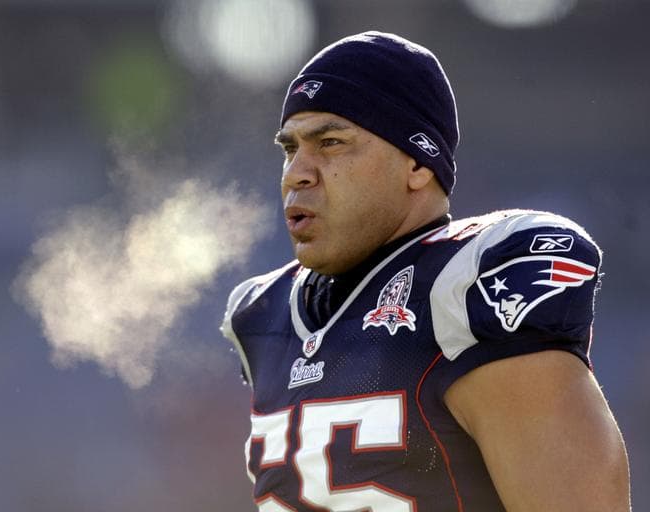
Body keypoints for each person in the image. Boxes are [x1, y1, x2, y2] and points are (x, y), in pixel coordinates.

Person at [220, 31, 630, 511]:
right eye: (290, 149)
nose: (296, 172)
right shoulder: (263, 317)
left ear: (417, 163)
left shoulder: (472, 284)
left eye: (330, 143)